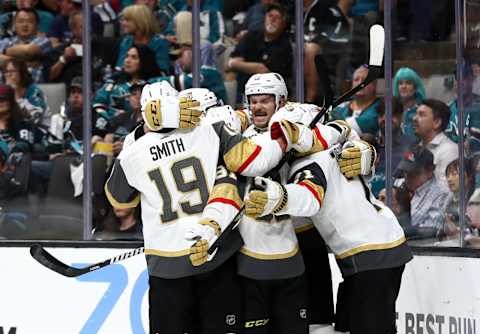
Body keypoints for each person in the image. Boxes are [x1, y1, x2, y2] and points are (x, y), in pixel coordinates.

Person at [104, 81, 316, 334]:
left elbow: (120, 200)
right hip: (218, 255)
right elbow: (256, 160)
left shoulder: (131, 152)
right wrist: (284, 139)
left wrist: (138, 138)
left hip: (166, 265)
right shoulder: (210, 131)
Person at [244, 136, 412, 334]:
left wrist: (279, 197)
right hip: (380, 246)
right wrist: (367, 150)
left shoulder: (306, 163)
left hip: (369, 256)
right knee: (346, 326)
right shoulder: (333, 149)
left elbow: (309, 198)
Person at [227, 3, 292, 104]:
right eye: (270, 16)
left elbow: (263, 70)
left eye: (277, 18)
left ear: (284, 24)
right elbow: (230, 63)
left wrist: (237, 64)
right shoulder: (251, 36)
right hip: (244, 90)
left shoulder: (285, 44)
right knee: (230, 75)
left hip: (270, 94)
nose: (272, 20)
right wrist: (235, 64)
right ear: (264, 17)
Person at [93, 44, 161, 121]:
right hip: (110, 128)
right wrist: (108, 123)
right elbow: (98, 103)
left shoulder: (153, 84)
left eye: (134, 57)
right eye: (127, 56)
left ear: (144, 60)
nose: (127, 61)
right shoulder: (113, 81)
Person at [397, 146, 449, 240]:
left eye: (413, 173)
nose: (407, 176)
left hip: (422, 247)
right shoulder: (398, 185)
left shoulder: (440, 195)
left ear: (430, 170)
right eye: (405, 171)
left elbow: (431, 231)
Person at [413, 99, 458, 189]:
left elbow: (446, 191)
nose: (414, 118)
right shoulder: (416, 147)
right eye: (416, 114)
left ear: (436, 122)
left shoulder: (450, 151)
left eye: (421, 115)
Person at [0, 8, 53, 83]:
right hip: (5, 89)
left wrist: (4, 53)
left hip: (32, 89)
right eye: (20, 21)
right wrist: (26, 61)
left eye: (30, 21)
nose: (25, 25)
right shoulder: (5, 41)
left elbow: (29, 51)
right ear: (14, 24)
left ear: (37, 25)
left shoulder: (44, 41)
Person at [116, 4, 170, 75]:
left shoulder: (160, 42)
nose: (123, 23)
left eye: (127, 20)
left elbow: (163, 72)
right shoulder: (126, 41)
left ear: (139, 21)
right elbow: (120, 68)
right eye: (123, 20)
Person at [332, 65, 381, 136]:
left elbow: (367, 123)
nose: (360, 83)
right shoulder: (342, 106)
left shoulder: (380, 107)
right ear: (352, 84)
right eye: (356, 79)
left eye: (365, 80)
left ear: (374, 85)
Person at [2, 58, 49, 126]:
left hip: (38, 131)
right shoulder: (3, 93)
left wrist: (16, 93)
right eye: (6, 72)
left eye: (12, 71)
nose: (8, 75)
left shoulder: (34, 91)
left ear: (21, 73)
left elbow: (35, 119)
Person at [393, 67, 426, 139]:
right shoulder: (392, 110)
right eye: (400, 83)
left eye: (408, 83)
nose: (403, 86)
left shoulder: (423, 110)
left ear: (415, 87)